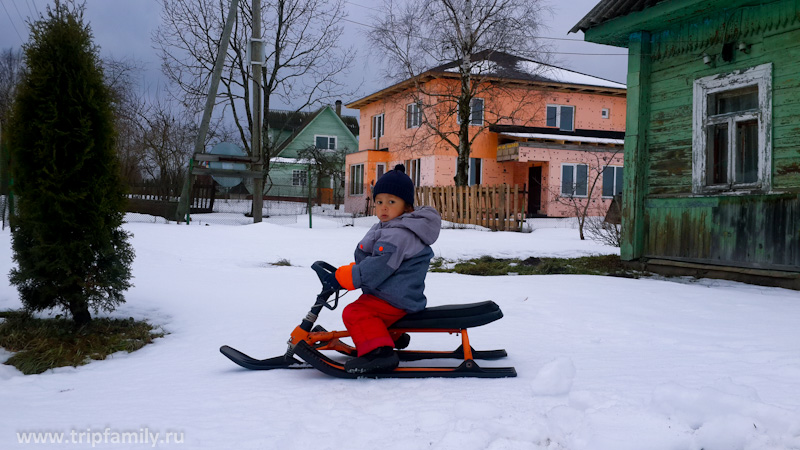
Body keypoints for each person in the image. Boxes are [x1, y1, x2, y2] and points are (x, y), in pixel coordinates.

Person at [326, 164, 441, 373]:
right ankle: (389, 336)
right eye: (379, 202)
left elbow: (380, 265)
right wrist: (356, 270)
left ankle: (380, 353)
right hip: (394, 292)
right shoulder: (390, 226)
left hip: (395, 297)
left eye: (391, 202)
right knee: (364, 305)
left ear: (407, 207)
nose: (383, 207)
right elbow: (375, 258)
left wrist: (351, 276)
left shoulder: (399, 233)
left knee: (355, 312)